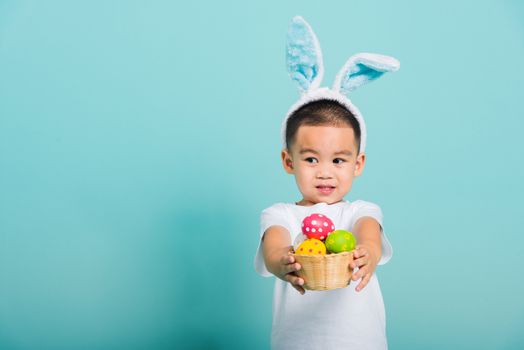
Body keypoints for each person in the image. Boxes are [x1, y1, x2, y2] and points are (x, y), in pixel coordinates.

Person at [253, 16, 400, 349]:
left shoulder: (361, 210)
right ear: (288, 162)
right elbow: (274, 247)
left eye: (338, 160)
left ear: (357, 164)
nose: (324, 172)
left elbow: (368, 234)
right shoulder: (280, 215)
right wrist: (284, 263)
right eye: (310, 159)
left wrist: (367, 254)